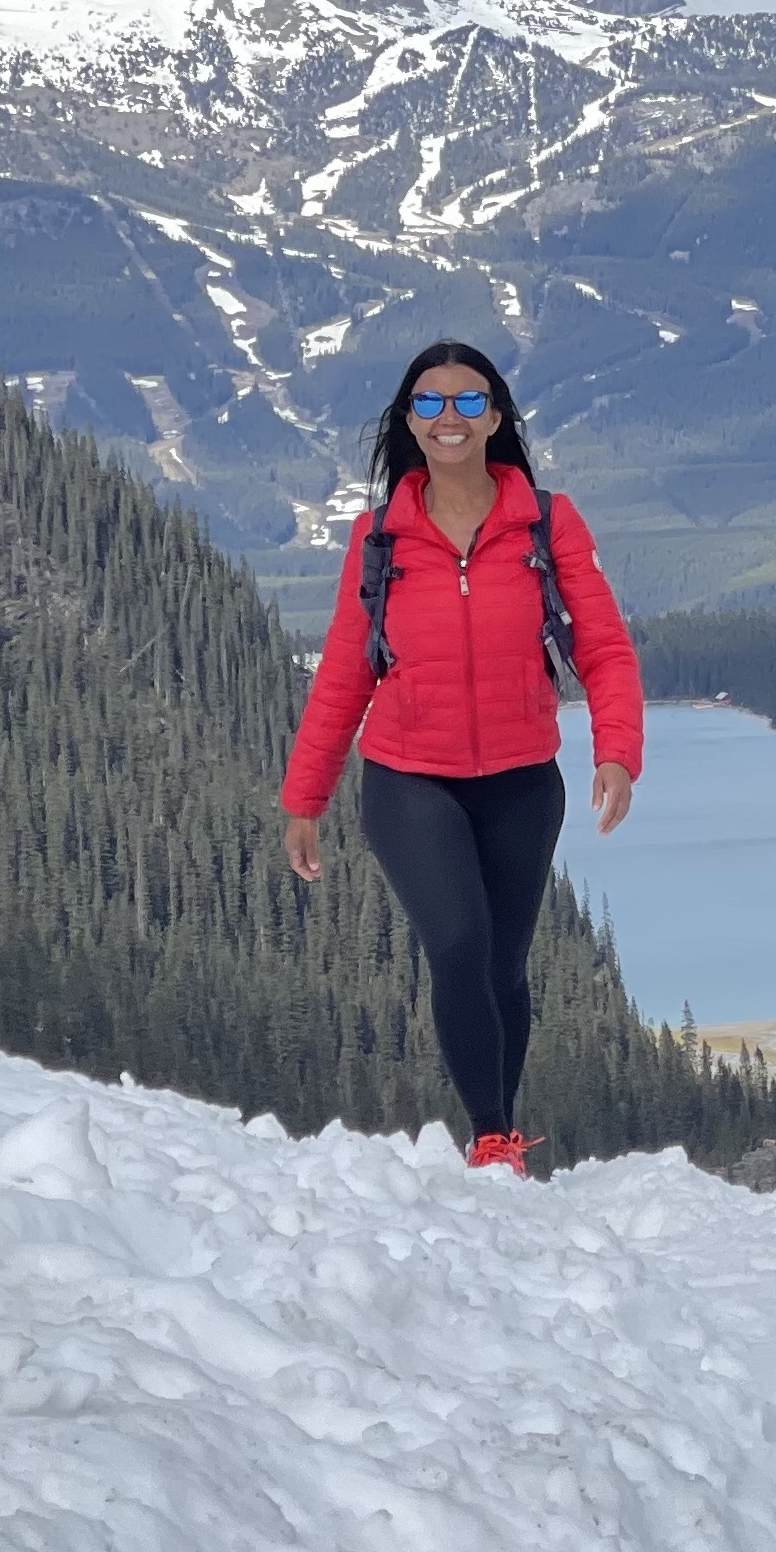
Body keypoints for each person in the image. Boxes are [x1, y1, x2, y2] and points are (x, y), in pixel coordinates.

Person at [281, 341, 642, 1178]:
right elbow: (344, 673)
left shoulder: (548, 525)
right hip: (409, 778)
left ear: (498, 417)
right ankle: (488, 1136)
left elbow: (606, 651)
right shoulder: (379, 540)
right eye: (432, 404)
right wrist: (305, 798)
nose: (451, 418)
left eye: (470, 402)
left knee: (505, 966)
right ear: (408, 421)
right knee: (458, 943)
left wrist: (616, 752)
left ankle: (502, 1132)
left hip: (522, 783)